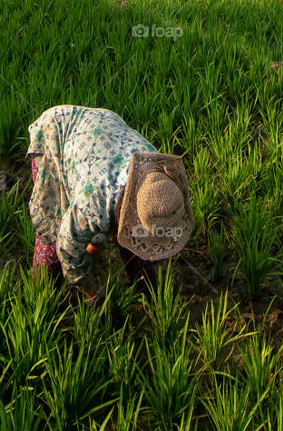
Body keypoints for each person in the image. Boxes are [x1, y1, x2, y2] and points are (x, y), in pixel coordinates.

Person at [27, 105, 193, 302]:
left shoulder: (159, 176)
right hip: (56, 134)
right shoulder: (91, 205)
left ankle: (146, 291)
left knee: (131, 242)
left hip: (103, 134)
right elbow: (66, 248)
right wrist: (93, 293)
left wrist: (93, 248)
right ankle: (42, 295)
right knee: (52, 236)